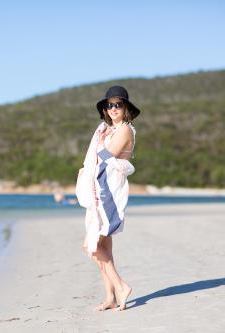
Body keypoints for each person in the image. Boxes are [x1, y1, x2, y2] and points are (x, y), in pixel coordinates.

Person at [81, 85, 141, 312]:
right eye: (110, 105)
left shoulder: (124, 130)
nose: (114, 108)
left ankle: (121, 286)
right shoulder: (106, 130)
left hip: (109, 191)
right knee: (104, 245)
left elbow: (107, 155)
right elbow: (99, 156)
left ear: (126, 108)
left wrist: (98, 144)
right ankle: (110, 296)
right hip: (100, 186)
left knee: (92, 245)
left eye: (118, 104)